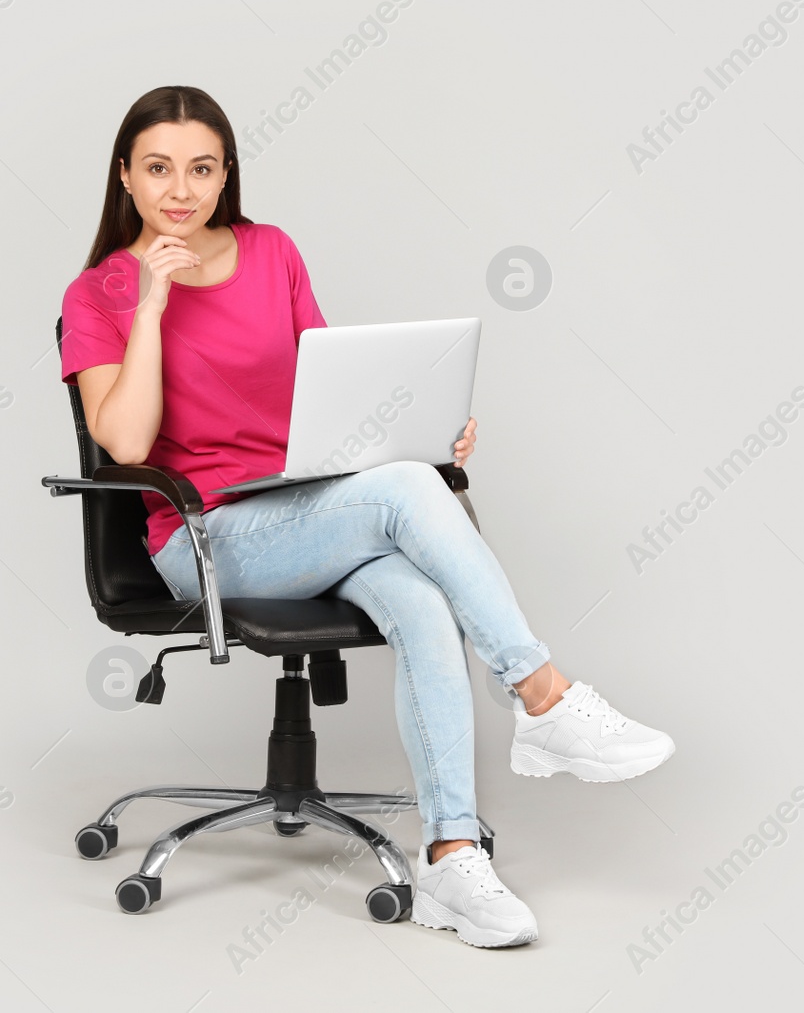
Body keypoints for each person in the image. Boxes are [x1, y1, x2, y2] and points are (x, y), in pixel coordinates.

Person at [59, 85, 675, 948]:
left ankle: (451, 858)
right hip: (207, 538)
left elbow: (336, 407)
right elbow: (123, 442)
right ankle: (540, 696)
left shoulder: (271, 253)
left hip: (313, 511)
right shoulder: (102, 292)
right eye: (158, 168)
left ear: (226, 172)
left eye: (201, 168)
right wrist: (153, 304)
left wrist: (426, 434)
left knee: (422, 596)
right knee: (405, 495)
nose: (181, 190)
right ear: (125, 175)